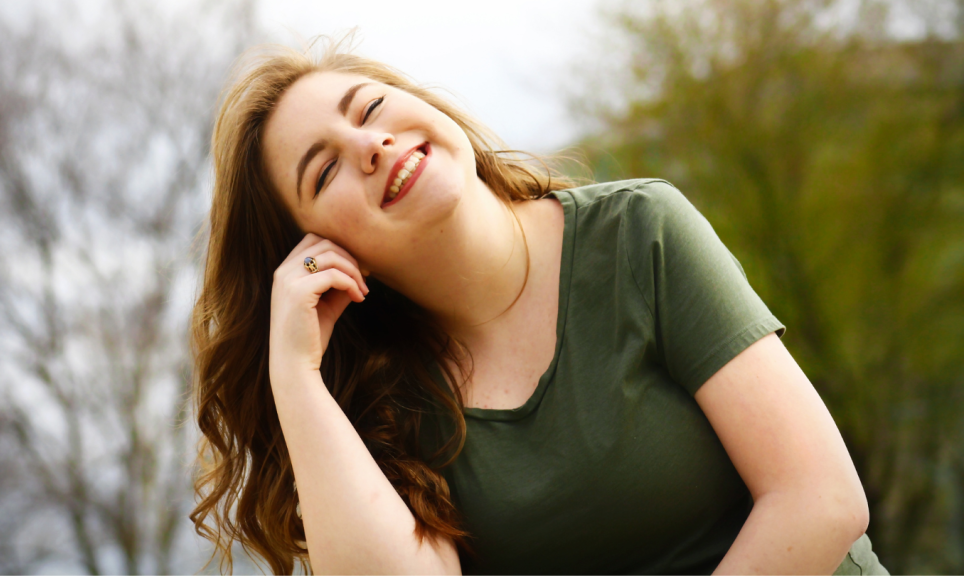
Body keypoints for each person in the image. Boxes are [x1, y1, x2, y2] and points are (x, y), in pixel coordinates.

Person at [189, 38, 887, 575]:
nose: (370, 145)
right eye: (326, 168)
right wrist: (296, 375)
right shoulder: (379, 405)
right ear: (318, 250)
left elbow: (820, 499)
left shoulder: (639, 232)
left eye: (370, 108)